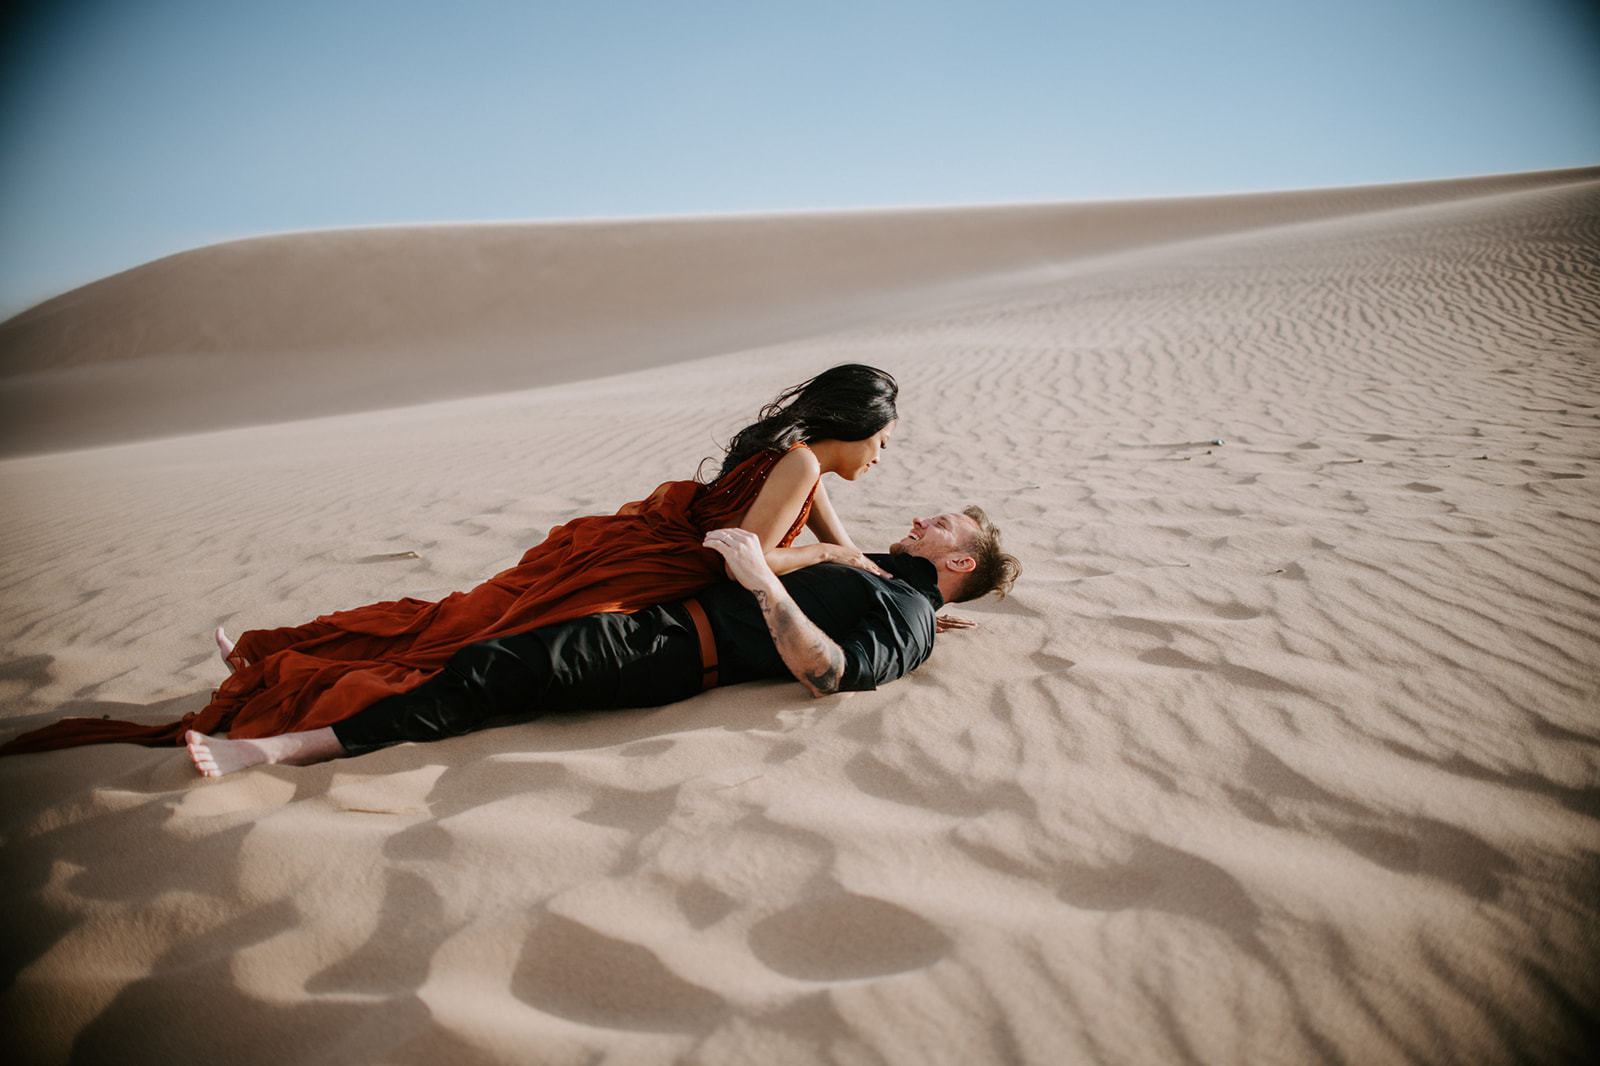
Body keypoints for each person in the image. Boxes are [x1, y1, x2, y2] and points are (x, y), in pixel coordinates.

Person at [0, 365, 902, 756]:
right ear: (854, 427)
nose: (884, 458)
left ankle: (287, 653)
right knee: (482, 637)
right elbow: (734, 552)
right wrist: (822, 554)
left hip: (625, 544)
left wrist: (855, 559)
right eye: (885, 441)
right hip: (651, 572)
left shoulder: (801, 453)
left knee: (470, 614)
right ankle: (300, 677)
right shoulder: (796, 461)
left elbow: (826, 528)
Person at [186, 508, 1021, 776]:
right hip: (652, 622)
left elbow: (831, 674)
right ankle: (296, 669)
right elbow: (850, 585)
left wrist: (764, 582)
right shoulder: (891, 582)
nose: (918, 518)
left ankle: (281, 752)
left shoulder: (905, 619)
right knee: (478, 630)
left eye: (938, 523)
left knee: (492, 671)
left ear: (956, 559)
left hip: (668, 654)